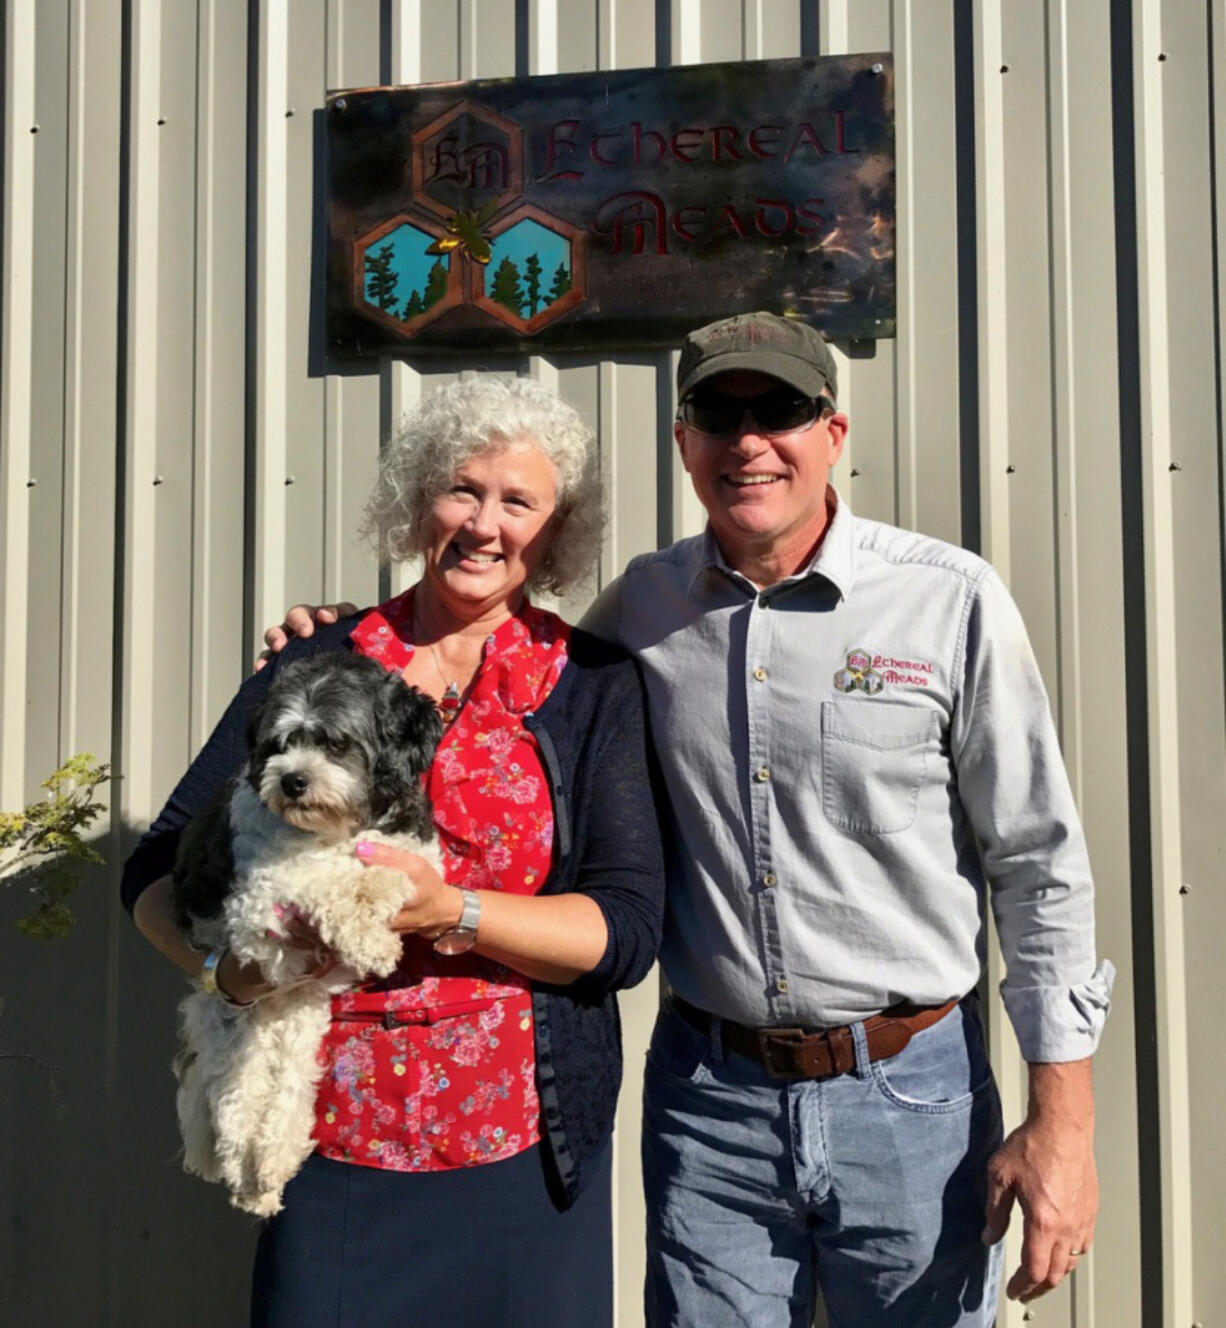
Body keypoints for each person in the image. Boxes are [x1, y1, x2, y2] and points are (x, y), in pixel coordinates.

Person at [268, 313, 1114, 1328]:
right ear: (684, 443)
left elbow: (1036, 864)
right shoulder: (641, 610)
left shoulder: (947, 603)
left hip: (910, 1096)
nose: (748, 440)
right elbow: (489, 683)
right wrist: (346, 637)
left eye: (782, 411)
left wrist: (1061, 1121)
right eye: (719, 412)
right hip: (711, 1096)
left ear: (832, 434)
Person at [122, 375, 666, 1328]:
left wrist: (450, 910)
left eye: (518, 501)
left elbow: (623, 932)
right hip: (332, 1140)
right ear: (421, 498)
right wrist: (227, 974)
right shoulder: (318, 662)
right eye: (462, 489)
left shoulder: (591, 686)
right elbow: (154, 867)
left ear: (554, 529)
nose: (483, 524)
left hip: (524, 1150)